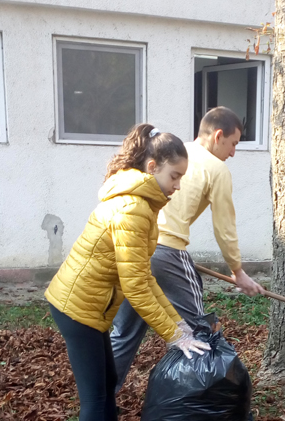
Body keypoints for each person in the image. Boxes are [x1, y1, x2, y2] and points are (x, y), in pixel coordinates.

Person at [45, 124, 209, 421]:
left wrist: (177, 324)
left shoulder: (142, 202)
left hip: (90, 306)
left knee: (105, 383)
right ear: (152, 167)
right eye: (174, 176)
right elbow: (135, 287)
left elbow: (144, 278)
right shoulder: (133, 208)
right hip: (78, 308)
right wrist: (175, 335)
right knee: (94, 397)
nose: (178, 185)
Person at [110, 106, 265, 391]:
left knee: (124, 334)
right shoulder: (216, 168)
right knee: (200, 330)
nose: (233, 153)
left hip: (137, 248)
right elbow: (224, 227)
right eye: (233, 144)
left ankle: (100, 400)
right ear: (218, 136)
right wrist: (238, 271)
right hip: (168, 252)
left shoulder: (173, 153)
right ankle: (214, 403)